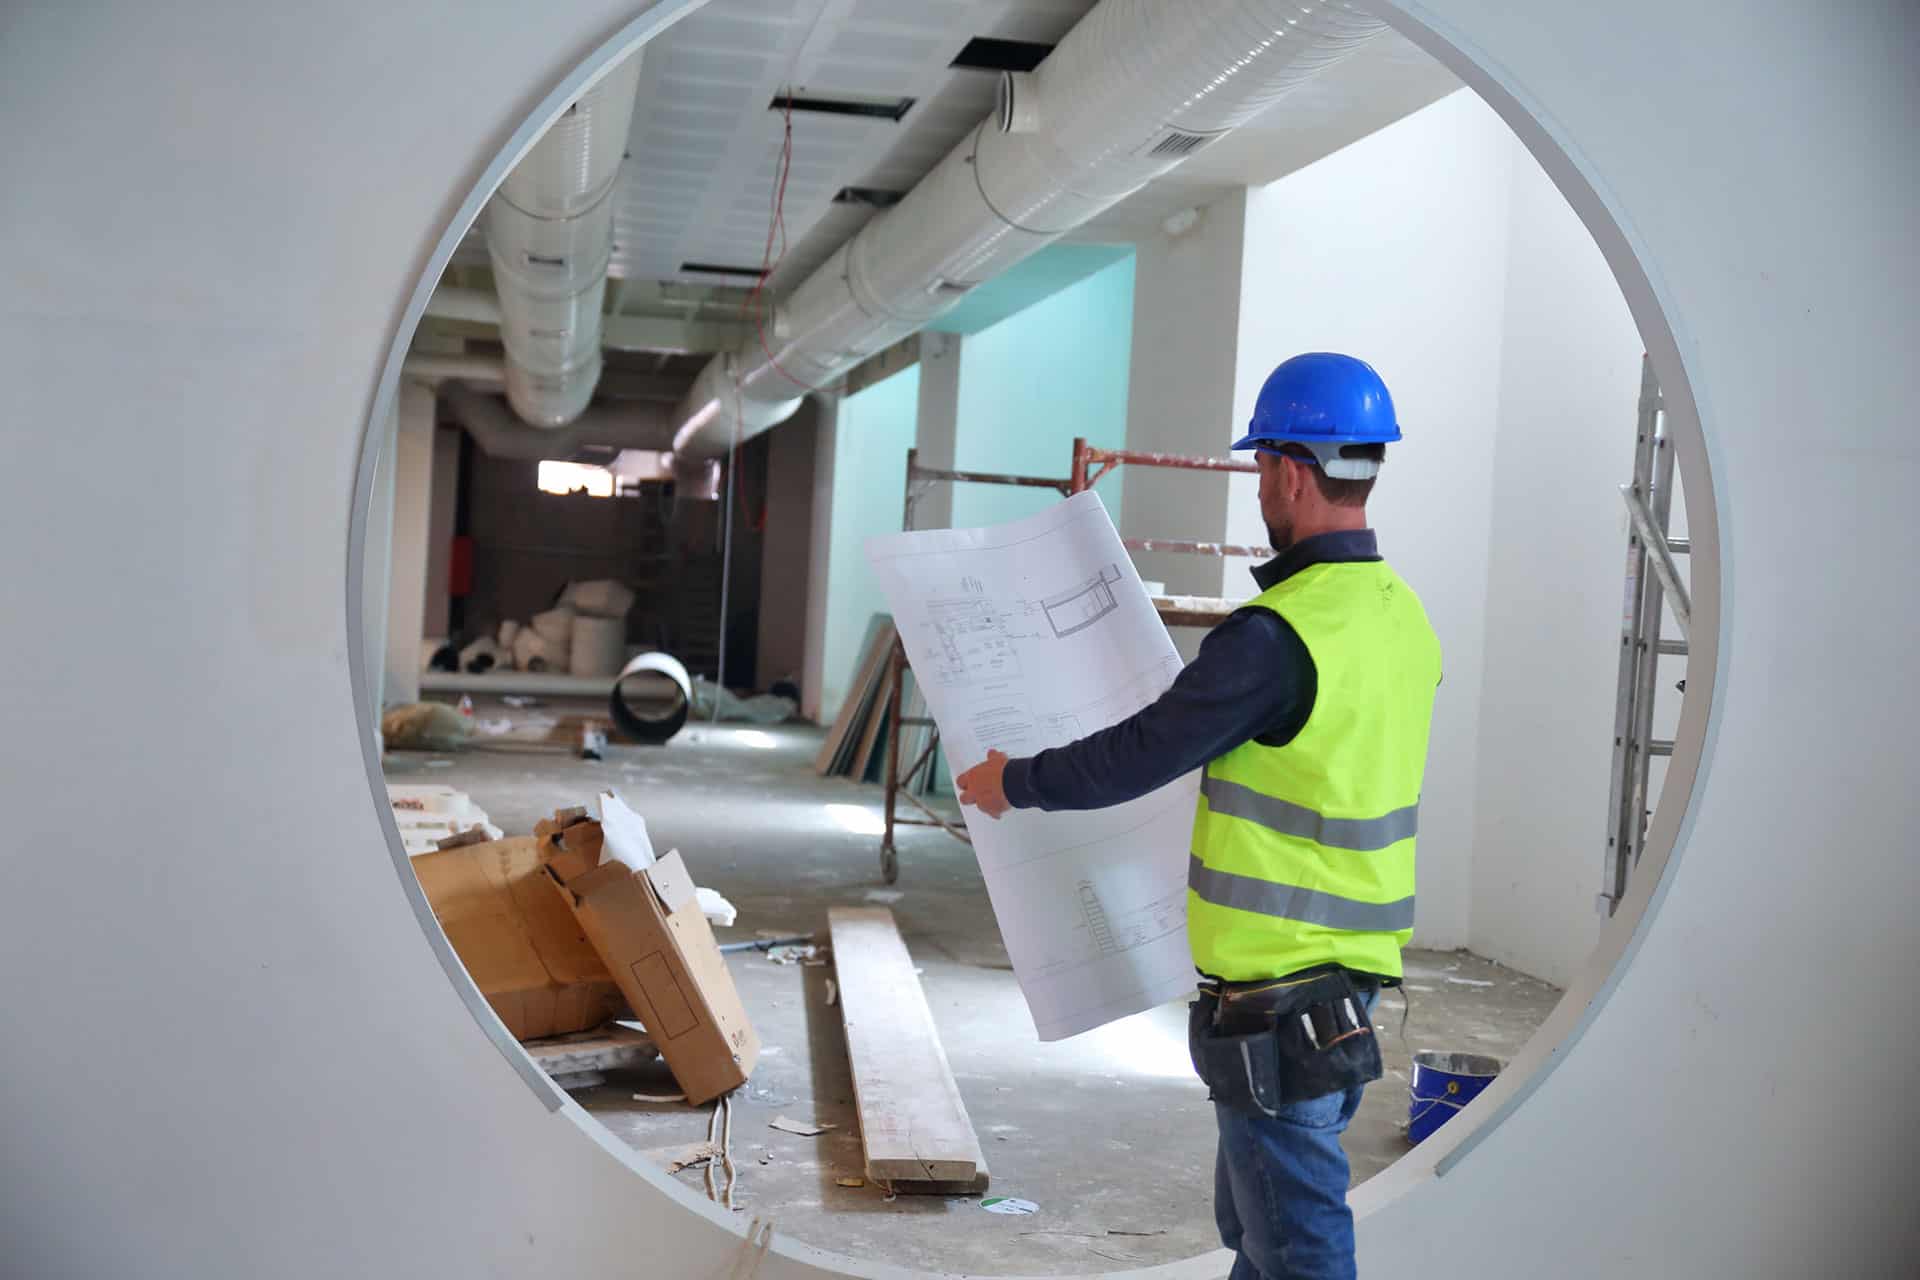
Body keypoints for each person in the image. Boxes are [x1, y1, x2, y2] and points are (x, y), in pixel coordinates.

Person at [955, 352, 1441, 1280]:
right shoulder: (1398, 615)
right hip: (1349, 980)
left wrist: (1011, 781)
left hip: (1276, 992)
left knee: (1296, 1246)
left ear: (1291, 471)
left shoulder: (1278, 636)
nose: (1259, 485)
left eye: (1260, 466)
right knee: (1258, 1231)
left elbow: (1141, 751)